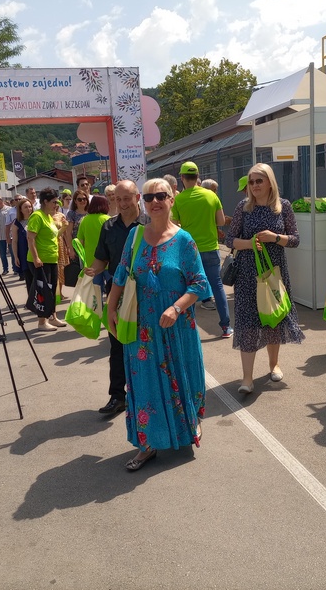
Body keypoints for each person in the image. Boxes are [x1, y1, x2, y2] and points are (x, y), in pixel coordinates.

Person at [107, 178, 211, 471]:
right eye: (150, 196)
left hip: (176, 326)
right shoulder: (135, 236)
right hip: (142, 327)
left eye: (161, 196)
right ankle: (148, 443)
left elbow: (200, 283)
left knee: (183, 376)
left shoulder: (184, 240)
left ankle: (187, 427)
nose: (155, 202)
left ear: (172, 199)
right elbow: (121, 273)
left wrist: (177, 308)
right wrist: (110, 308)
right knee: (145, 383)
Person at [225, 163, 304, 394]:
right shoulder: (244, 207)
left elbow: (295, 240)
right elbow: (230, 240)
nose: (255, 185)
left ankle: (274, 364)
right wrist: (250, 244)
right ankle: (247, 379)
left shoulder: (283, 207)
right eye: (251, 181)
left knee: (273, 319)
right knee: (248, 324)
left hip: (275, 273)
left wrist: (275, 237)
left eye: (259, 180)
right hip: (248, 274)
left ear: (270, 182)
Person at [84, 180, 150, 416]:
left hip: (146, 293)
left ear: (137, 197)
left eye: (126, 198)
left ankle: (146, 393)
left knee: (146, 344)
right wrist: (93, 270)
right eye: (117, 199)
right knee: (117, 344)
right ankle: (117, 396)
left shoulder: (150, 223)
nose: (122, 203)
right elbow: (102, 259)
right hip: (116, 292)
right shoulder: (108, 227)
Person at [172, 161, 233, 338]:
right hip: (211, 248)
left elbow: (174, 226)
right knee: (217, 285)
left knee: (188, 289)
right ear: (198, 177)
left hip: (189, 250)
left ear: (182, 178)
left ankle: (187, 330)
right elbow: (221, 221)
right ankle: (225, 327)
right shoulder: (211, 196)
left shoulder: (179, 199)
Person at [26, 189, 67, 331]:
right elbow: (30, 238)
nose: (56, 205)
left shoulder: (49, 216)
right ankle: (42, 322)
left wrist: (64, 228)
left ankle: (53, 317)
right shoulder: (37, 216)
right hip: (40, 260)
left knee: (52, 289)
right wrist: (36, 257)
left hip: (52, 259)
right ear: (45, 201)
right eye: (54, 202)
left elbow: (53, 236)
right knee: (43, 290)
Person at [77, 195, 111, 269]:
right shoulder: (108, 220)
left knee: (94, 280)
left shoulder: (84, 220)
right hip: (107, 260)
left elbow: (80, 241)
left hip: (90, 261)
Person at [65, 187, 90, 267]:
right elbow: (68, 233)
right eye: (79, 199)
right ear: (75, 201)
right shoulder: (71, 214)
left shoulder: (91, 213)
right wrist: (70, 249)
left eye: (84, 199)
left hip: (89, 246)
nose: (82, 201)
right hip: (77, 248)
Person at [11, 198, 33, 284]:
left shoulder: (36, 219)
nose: (28, 209)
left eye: (30, 207)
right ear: (20, 209)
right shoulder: (16, 223)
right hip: (24, 254)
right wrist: (16, 256)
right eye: (25, 207)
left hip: (37, 253)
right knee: (29, 280)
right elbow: (15, 241)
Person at [51, 200, 70, 300]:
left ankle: (60, 292)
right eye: (54, 204)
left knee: (61, 269)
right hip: (51, 243)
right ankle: (54, 292)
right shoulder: (47, 216)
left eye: (57, 204)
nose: (55, 206)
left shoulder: (61, 215)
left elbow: (66, 232)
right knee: (54, 270)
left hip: (61, 244)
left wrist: (68, 246)